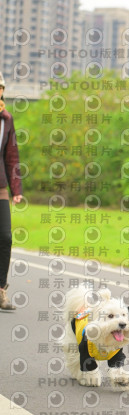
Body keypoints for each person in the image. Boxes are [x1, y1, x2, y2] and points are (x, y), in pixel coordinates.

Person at [0, 71, 24, 310]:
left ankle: (0, 290)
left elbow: (11, 156)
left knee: (5, 238)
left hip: (0, 188)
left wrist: (16, 188)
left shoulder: (6, 119)